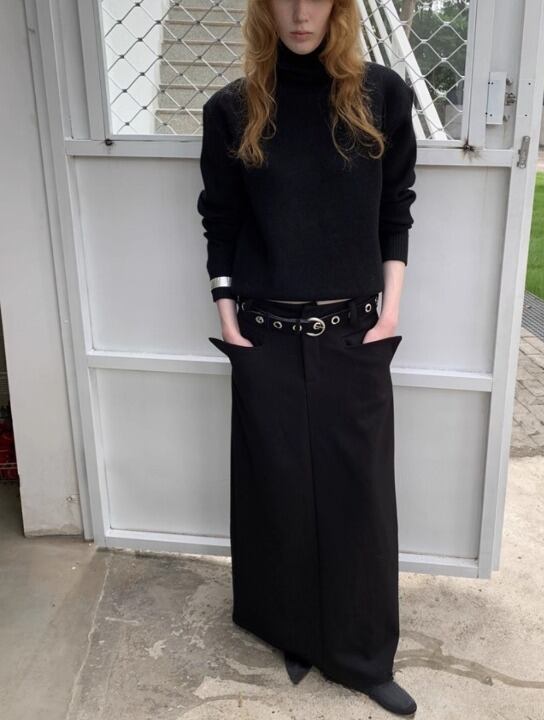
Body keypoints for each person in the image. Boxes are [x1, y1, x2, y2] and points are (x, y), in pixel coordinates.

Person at [197, 0, 417, 715]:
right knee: (278, 495)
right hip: (264, 333)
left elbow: (396, 209)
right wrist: (228, 320)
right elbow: (221, 220)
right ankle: (292, 630)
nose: (300, 13)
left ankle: (361, 654)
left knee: (360, 502)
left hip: (353, 334)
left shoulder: (381, 96)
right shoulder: (233, 109)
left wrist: (390, 314)